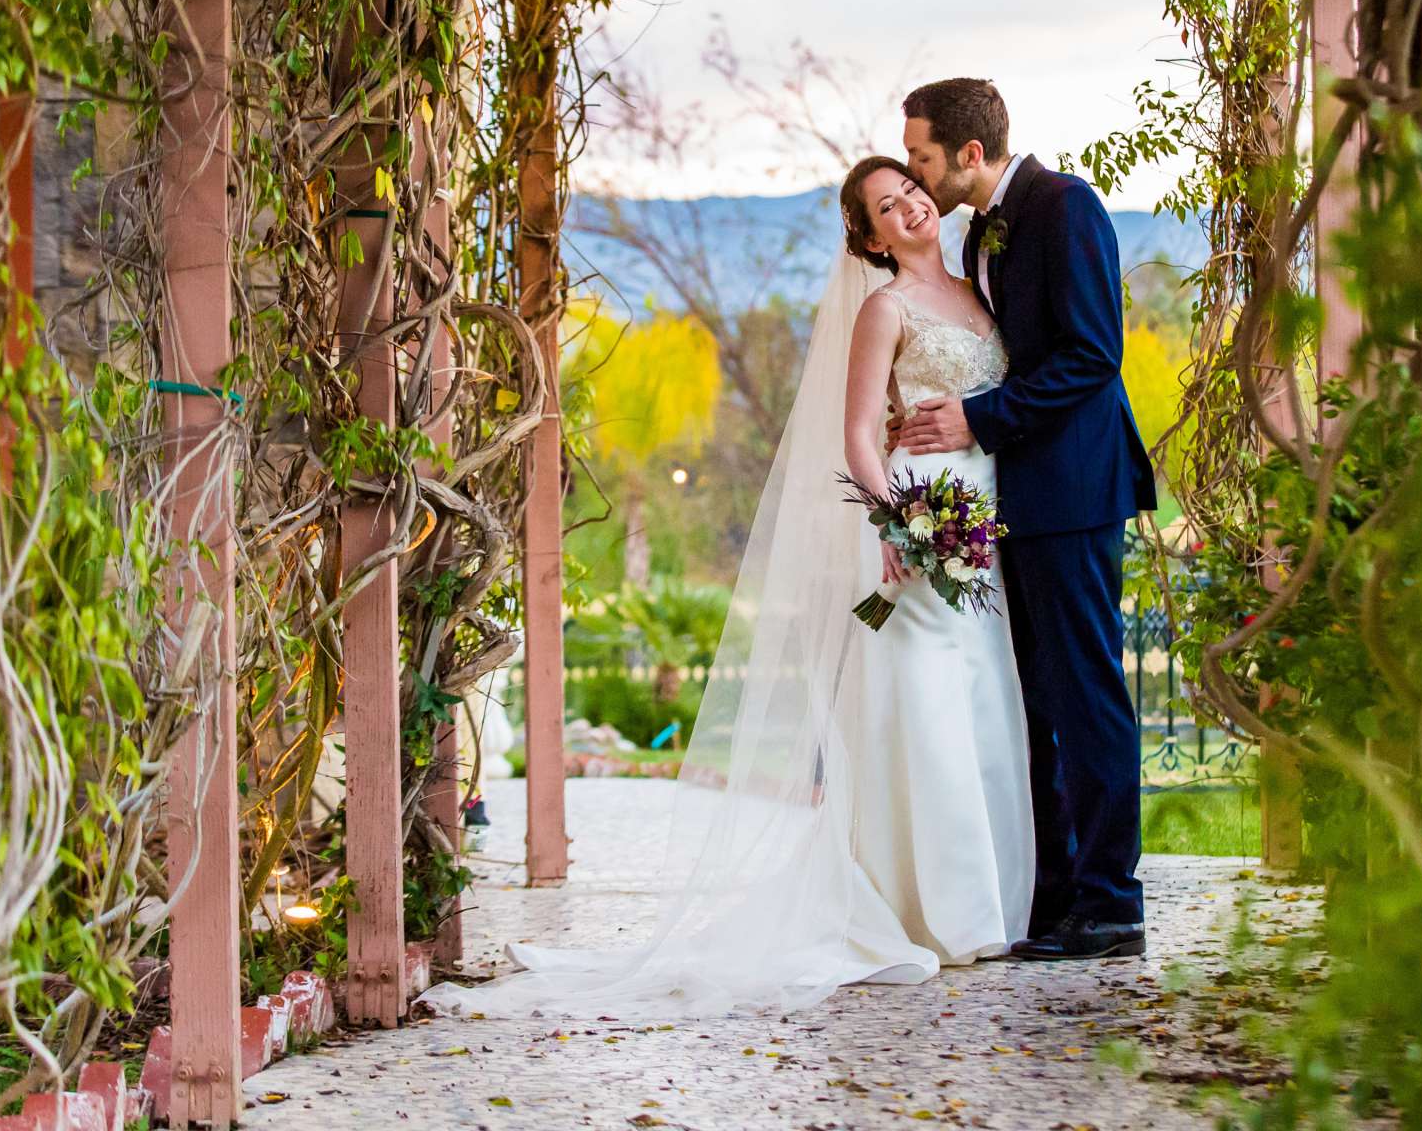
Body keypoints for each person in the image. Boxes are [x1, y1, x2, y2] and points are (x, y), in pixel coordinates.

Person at [460, 155, 1032, 1017]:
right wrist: (895, 523)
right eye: (887, 206)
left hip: (985, 511)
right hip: (924, 516)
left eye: (911, 190)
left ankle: (1002, 903)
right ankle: (936, 913)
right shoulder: (885, 309)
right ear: (869, 237)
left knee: (988, 701)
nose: (911, 206)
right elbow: (857, 435)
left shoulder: (982, 288)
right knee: (924, 707)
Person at [895, 77, 1157, 961]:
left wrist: (981, 418)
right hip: (1017, 498)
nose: (916, 174)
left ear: (970, 153)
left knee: (1085, 694)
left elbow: (1092, 354)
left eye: (923, 157)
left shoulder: (1065, 207)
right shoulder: (980, 233)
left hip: (1077, 490)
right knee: (1037, 694)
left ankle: (1113, 904)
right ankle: (1052, 894)